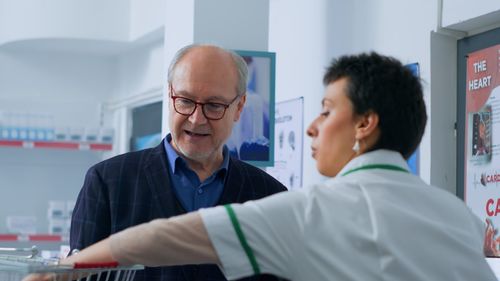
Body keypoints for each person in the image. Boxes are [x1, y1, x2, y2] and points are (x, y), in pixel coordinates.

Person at [27, 52, 496, 281]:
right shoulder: (458, 215)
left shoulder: (302, 208)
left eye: (327, 110)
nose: (312, 128)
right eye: (185, 101)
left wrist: (61, 270)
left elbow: (160, 238)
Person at [68, 44, 287, 281]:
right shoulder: (108, 182)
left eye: (214, 106)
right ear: (170, 95)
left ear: (239, 107)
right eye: (185, 100)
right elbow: (78, 274)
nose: (196, 119)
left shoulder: (270, 197)